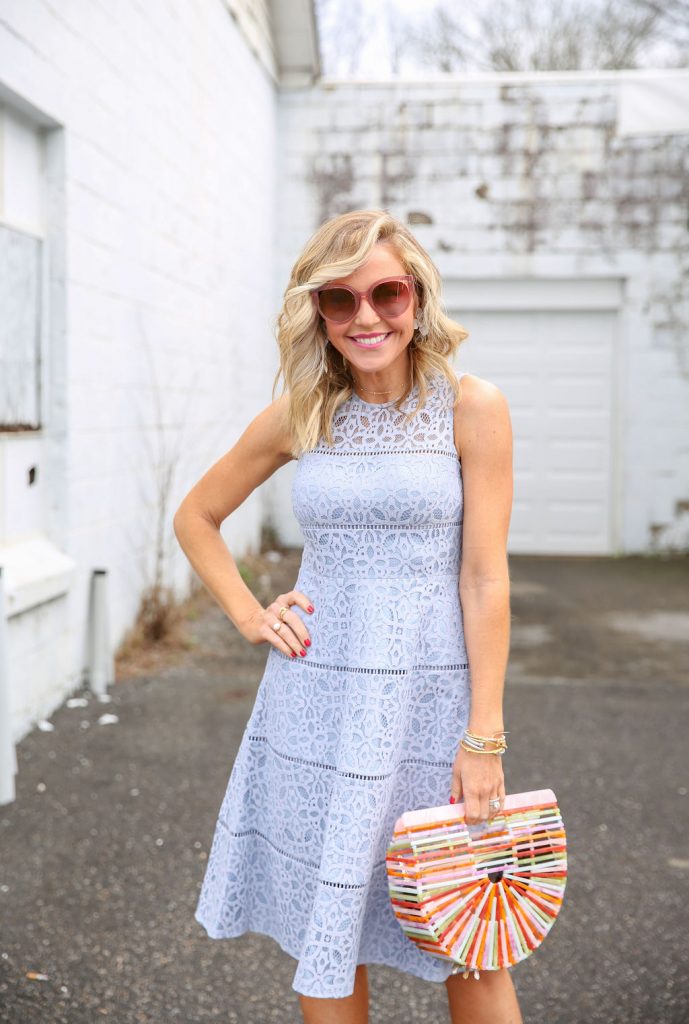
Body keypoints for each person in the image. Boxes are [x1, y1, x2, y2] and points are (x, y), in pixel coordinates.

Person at [173, 209, 522, 1024]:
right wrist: (251, 614)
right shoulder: (302, 413)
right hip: (315, 707)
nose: (366, 317)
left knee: (466, 933)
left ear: (418, 297)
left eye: (386, 292)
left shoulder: (470, 407)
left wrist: (484, 736)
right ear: (318, 312)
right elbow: (196, 516)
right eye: (340, 299)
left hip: (433, 713)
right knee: (324, 934)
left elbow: (483, 579)